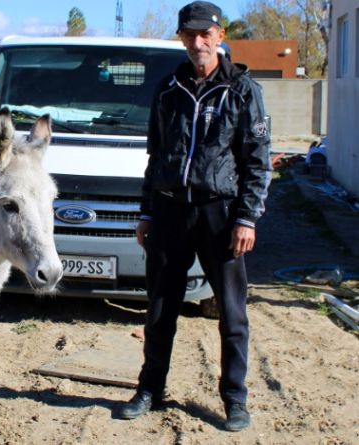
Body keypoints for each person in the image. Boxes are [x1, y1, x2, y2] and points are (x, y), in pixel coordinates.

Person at [120, 0, 272, 432]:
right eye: (190, 35)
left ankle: (234, 399)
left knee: (231, 312)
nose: (198, 42)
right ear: (182, 38)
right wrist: (147, 211)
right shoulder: (169, 88)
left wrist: (247, 219)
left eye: (206, 34)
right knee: (160, 308)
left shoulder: (242, 90)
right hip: (170, 210)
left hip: (219, 215)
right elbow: (156, 154)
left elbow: (258, 161)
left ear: (221, 37)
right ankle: (150, 390)